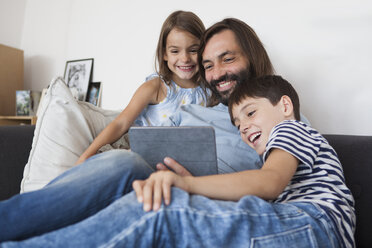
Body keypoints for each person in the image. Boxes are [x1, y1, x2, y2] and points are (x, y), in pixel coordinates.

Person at [0, 17, 305, 244]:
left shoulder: (273, 116)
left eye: (228, 59)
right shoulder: (200, 104)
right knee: (125, 162)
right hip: (160, 177)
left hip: (191, 195)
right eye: (209, 64)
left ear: (251, 56)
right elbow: (125, 126)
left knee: (144, 198)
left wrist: (187, 184)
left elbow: (270, 181)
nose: (216, 73)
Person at [1, 75, 355, 247]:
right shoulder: (280, 145)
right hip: (299, 224)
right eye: (238, 123)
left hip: (313, 227)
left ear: (286, 106)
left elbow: (268, 183)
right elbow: (260, 196)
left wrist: (185, 184)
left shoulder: (290, 131)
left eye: (250, 113)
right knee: (149, 190)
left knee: (162, 211)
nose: (245, 127)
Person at [76, 10, 208, 164]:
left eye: (193, 50)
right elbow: (120, 123)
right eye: (175, 51)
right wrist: (85, 156)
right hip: (136, 151)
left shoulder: (208, 92)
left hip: (174, 160)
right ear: (164, 54)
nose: (185, 58)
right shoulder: (156, 87)